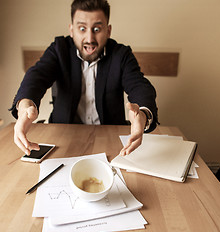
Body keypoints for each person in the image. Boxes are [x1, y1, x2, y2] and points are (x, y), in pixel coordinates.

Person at [10, 0, 158, 156]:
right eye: (82, 28)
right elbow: (36, 77)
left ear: (108, 31)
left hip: (111, 143)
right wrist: (25, 106)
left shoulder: (121, 54)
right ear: (72, 30)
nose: (89, 38)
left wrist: (142, 114)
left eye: (97, 29)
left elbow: (140, 86)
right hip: (64, 140)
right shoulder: (59, 49)